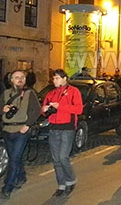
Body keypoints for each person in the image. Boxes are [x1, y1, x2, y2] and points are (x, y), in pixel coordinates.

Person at [41, 69, 83, 197]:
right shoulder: (51, 93)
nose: (55, 80)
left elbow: (79, 109)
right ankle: (61, 184)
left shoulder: (73, 91)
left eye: (57, 78)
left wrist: (61, 106)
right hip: (54, 128)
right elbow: (43, 110)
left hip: (67, 128)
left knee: (63, 157)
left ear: (65, 78)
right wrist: (44, 109)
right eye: (53, 78)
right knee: (56, 159)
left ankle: (70, 180)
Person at [0, 70, 41, 199]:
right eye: (17, 77)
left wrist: (27, 125)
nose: (20, 79)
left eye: (22, 77)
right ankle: (22, 176)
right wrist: (3, 110)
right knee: (14, 158)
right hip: (7, 130)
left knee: (14, 159)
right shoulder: (6, 94)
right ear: (11, 80)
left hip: (21, 131)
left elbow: (37, 111)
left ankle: (8, 187)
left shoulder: (29, 93)